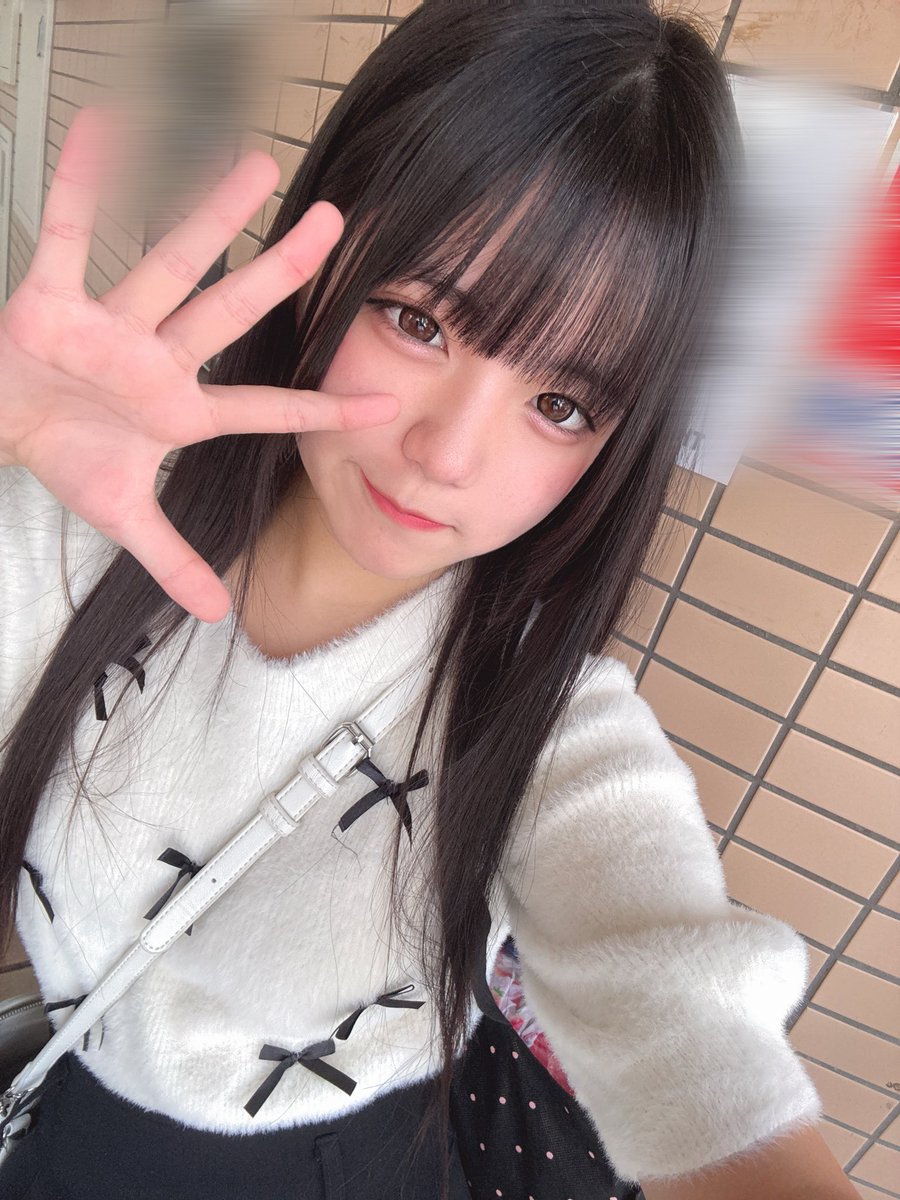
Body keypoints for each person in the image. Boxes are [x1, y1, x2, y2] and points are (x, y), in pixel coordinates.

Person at [0, 2, 858, 1198]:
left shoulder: (546, 734)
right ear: (324, 258)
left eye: (561, 404)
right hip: (72, 1105)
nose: (447, 456)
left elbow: (688, 1028)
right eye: (420, 321)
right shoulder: (82, 536)